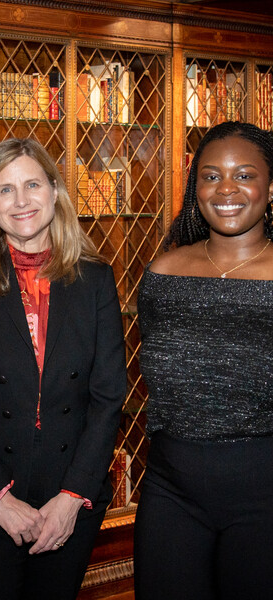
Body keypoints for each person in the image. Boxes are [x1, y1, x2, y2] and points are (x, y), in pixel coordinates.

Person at [0, 137, 126, 600]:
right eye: (4, 190)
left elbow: (107, 399)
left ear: (55, 191)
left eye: (32, 184)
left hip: (69, 498)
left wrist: (71, 496)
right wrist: (0, 499)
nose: (21, 201)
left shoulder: (95, 278)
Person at [134, 121, 273, 600]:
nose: (227, 189)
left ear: (270, 187)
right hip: (171, 492)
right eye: (211, 176)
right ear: (195, 190)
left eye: (244, 175)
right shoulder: (164, 270)